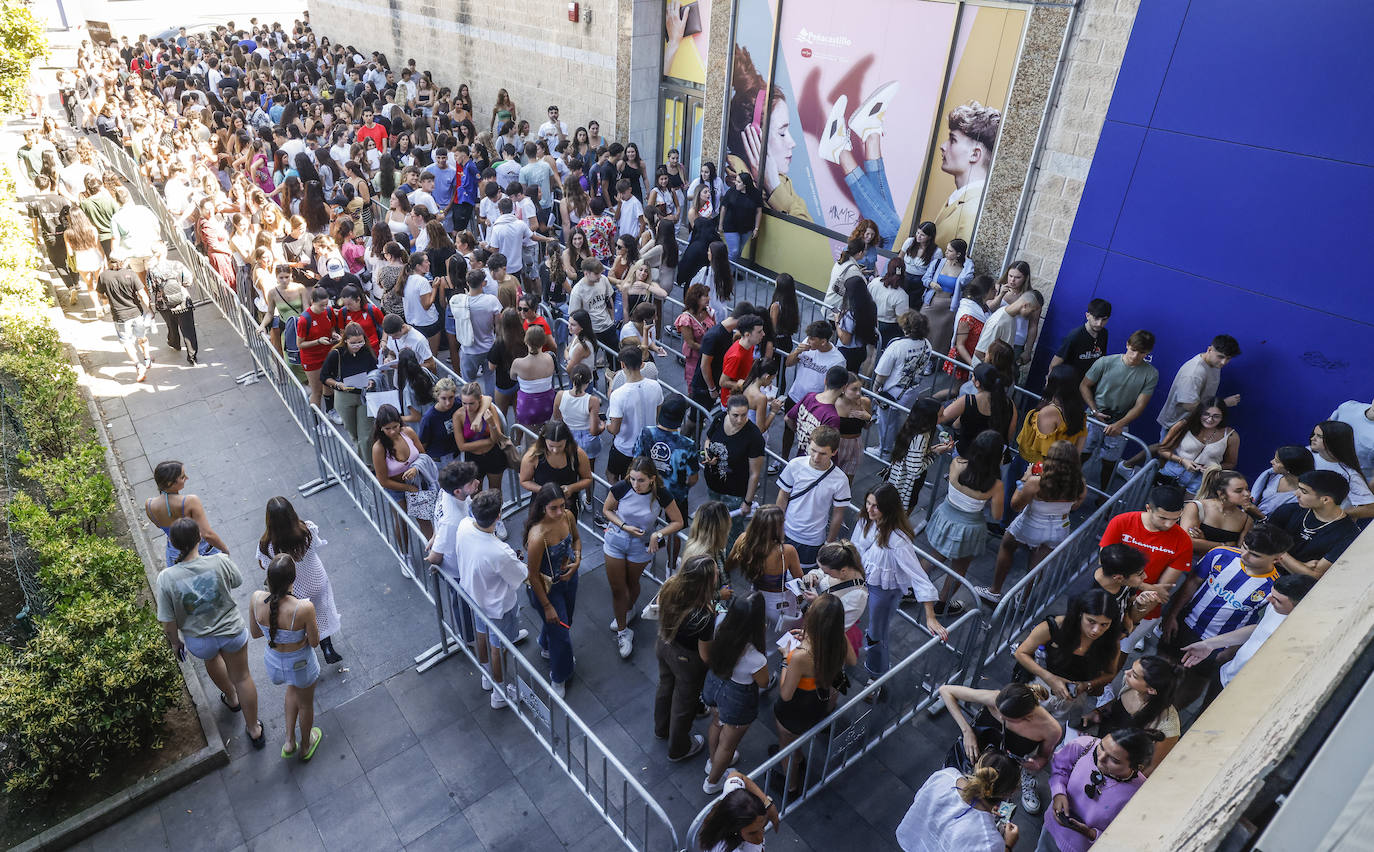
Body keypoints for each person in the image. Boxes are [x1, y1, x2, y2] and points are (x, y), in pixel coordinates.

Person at [155, 518, 264, 750]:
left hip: (199, 642)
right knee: (243, 677)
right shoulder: (219, 561)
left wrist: (176, 644)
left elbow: (168, 622)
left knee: (212, 660)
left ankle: (232, 699)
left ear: (173, 543)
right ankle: (254, 729)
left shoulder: (166, 578)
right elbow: (237, 581)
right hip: (232, 632)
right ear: (200, 538)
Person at [1160, 523, 1295, 709]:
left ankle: (1168, 716)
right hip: (1183, 624)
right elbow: (1192, 582)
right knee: (1161, 668)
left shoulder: (1273, 587)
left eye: (1255, 555)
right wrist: (1172, 615)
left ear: (1278, 559)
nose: (1245, 556)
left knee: (1195, 681)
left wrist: (1231, 649)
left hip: (1218, 643)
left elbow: (1261, 624)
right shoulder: (1220, 554)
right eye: (1245, 547)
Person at [1181, 573, 1317, 708]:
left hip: (1245, 696)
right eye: (1272, 594)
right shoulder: (1275, 606)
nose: (1269, 599)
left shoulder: (1304, 633)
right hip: (1226, 675)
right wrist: (1210, 644)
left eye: (1278, 600)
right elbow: (1259, 629)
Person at [857, 483, 945, 687]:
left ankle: (876, 676)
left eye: (875, 506)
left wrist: (930, 616)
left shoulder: (898, 540)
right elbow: (857, 547)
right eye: (868, 503)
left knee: (876, 633)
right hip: (862, 579)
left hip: (884, 592)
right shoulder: (866, 520)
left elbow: (919, 576)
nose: (869, 509)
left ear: (888, 509)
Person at [772, 594, 857, 797]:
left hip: (795, 709)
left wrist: (786, 659)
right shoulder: (838, 639)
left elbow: (785, 694)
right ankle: (799, 759)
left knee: (786, 747)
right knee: (796, 741)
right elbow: (852, 661)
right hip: (818, 702)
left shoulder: (801, 656)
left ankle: (791, 787)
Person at [981, 442, 1087, 603]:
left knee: (1007, 546)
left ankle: (994, 591)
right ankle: (1022, 601)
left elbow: (1015, 505)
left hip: (1032, 524)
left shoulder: (1036, 481)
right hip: (1059, 529)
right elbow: (1076, 506)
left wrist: (1025, 477)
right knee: (1037, 566)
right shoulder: (1080, 482)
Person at [937, 681, 1061, 816]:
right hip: (971, 755)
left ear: (1028, 717)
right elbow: (945, 690)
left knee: (983, 814)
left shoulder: (1051, 729)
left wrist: (1035, 764)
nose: (1000, 717)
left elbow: (1043, 757)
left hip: (1001, 774)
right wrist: (967, 731)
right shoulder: (995, 698)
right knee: (947, 796)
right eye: (999, 712)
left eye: (1007, 718)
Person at [603, 456, 684, 658]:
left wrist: (658, 534)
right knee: (617, 588)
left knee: (631, 584)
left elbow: (678, 521)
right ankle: (623, 631)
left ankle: (628, 610)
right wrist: (623, 526)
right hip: (615, 540)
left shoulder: (661, 494)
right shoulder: (622, 487)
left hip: (640, 546)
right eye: (632, 479)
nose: (635, 485)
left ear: (652, 479)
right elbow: (607, 509)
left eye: (640, 480)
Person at [457, 490, 529, 709]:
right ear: (499, 516)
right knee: (499, 646)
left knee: (481, 634)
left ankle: (486, 675)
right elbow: (521, 575)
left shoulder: (464, 526)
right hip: (498, 607)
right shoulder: (500, 551)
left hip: (474, 596)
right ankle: (499, 693)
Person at [1100, 485, 1193, 652]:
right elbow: (1105, 566)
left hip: (1145, 609)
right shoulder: (1122, 522)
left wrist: (1134, 614)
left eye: (1175, 519)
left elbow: (1161, 591)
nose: (1169, 524)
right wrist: (1146, 586)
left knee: (1120, 651)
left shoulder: (1183, 541)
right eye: (1163, 518)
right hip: (1107, 599)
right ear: (1149, 508)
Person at [1012, 589, 1124, 728]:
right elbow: (1021, 653)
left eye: (1104, 624)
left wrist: (1087, 685)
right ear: (1080, 614)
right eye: (1091, 621)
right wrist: (1050, 678)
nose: (1096, 630)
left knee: (1057, 730)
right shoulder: (1054, 627)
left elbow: (1110, 673)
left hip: (1073, 697)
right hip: (1038, 684)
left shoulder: (1111, 642)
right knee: (1022, 721)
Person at [250, 554, 324, 760]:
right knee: (306, 704)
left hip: (274, 663)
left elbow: (256, 633)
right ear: (293, 579)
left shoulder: (256, 599)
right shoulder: (303, 608)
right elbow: (314, 641)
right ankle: (306, 745)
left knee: (292, 689)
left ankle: (289, 742)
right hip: (300, 664)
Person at [1041, 728, 1164, 852]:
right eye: (1102, 747)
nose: (1101, 758)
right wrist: (1058, 792)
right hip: (1052, 827)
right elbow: (1059, 768)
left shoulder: (1139, 794)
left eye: (1114, 760)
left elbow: (1126, 837)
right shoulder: (1084, 746)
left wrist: (1091, 834)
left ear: (1136, 767)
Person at [255, 496, 343, 664]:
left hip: (294, 589)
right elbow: (316, 545)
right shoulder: (307, 529)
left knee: (302, 617)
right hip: (316, 579)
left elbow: (266, 566)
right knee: (322, 611)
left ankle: (307, 648)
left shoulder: (267, 545)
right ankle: (327, 647)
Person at [925, 430, 1005, 613]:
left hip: (945, 516)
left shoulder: (956, 463)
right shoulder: (996, 485)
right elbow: (997, 515)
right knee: (959, 569)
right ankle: (942, 604)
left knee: (934, 556)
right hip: (970, 528)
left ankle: (913, 588)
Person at [703, 592, 771, 794]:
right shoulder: (754, 657)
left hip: (714, 682)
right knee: (728, 744)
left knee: (716, 722)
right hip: (737, 697)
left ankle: (711, 762)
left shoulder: (720, 622)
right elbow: (764, 682)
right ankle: (713, 782)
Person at [655, 555, 718, 762]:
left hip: (664, 643)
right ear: (706, 582)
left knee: (665, 687)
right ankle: (678, 749)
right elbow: (705, 655)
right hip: (686, 660)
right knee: (684, 703)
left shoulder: (670, 585)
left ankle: (661, 729)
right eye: (715, 574)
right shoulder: (704, 615)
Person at [1080, 330, 1159, 493]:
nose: (1136, 356)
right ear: (1127, 345)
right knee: (1081, 455)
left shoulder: (1151, 374)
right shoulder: (1105, 362)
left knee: (1110, 464)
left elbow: (1140, 405)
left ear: (1148, 353)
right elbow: (1084, 385)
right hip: (1093, 418)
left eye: (1142, 353)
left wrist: (1119, 424)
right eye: (1134, 350)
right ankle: (1066, 489)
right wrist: (1094, 411)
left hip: (1120, 423)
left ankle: (1103, 498)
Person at [895, 751, 1021, 852]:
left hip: (912, 842)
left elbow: (920, 799)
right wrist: (1008, 845)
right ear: (1010, 793)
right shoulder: (991, 842)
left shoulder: (947, 775)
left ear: (979, 767)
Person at [524, 483, 582, 697]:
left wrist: (577, 561)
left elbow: (576, 540)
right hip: (548, 589)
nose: (559, 512)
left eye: (561, 505)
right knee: (562, 634)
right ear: (542, 508)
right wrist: (547, 606)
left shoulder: (567, 516)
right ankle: (559, 675)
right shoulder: (538, 536)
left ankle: (546, 644)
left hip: (569, 580)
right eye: (553, 508)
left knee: (565, 623)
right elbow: (533, 576)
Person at [1081, 656, 1180, 772]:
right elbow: (1117, 704)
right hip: (1103, 745)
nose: (1126, 672)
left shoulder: (1168, 726)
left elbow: (1150, 768)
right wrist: (1097, 712)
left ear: (1151, 690)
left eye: (1134, 675)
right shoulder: (1128, 684)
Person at [634, 395, 699, 565]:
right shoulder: (688, 444)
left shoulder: (646, 432)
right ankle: (671, 567)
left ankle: (643, 560)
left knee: (646, 525)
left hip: (649, 489)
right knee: (674, 530)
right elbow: (693, 478)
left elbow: (636, 460)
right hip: (676, 495)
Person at [776, 426, 851, 570]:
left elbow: (838, 514)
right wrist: (777, 527)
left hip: (812, 541)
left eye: (823, 453)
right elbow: (783, 496)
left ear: (834, 452)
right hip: (786, 531)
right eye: (813, 450)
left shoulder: (840, 479)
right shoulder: (795, 465)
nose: (816, 458)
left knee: (802, 580)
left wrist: (829, 543)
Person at [426, 460, 481, 647]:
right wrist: (432, 559)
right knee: (462, 602)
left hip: (465, 560)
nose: (477, 483)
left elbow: (437, 520)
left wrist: (434, 535)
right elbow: (435, 556)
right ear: (458, 491)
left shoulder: (445, 492)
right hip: (458, 570)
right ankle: (469, 638)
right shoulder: (453, 521)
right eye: (471, 482)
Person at [932, 102, 1001, 249]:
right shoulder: (961, 198)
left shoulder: (973, 209)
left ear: (975, 154)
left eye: (953, 140)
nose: (943, 146)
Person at [1268, 470, 1360, 578]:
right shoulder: (1289, 510)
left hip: (1293, 587)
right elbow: (1259, 543)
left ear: (1325, 499)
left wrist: (1278, 553)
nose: (1296, 493)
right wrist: (1303, 565)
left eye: (1304, 491)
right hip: (1263, 571)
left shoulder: (1349, 534)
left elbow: (1315, 575)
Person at [703, 394, 766, 544]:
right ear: (727, 411)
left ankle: (731, 560)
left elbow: (754, 474)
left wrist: (747, 502)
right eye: (735, 415)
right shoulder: (719, 419)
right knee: (714, 522)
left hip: (734, 493)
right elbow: (708, 440)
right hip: (713, 485)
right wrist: (708, 454)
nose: (739, 420)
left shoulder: (754, 436)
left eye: (744, 415)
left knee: (732, 531)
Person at [1155, 334, 1243, 440]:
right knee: (1167, 454)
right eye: (1220, 357)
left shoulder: (1214, 364)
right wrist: (1223, 403)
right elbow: (1188, 406)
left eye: (1228, 358)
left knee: (1161, 451)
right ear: (1209, 349)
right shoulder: (1194, 373)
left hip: (1191, 425)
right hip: (1175, 426)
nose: (1223, 362)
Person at [780, 320, 846, 459]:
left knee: (811, 437)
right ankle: (782, 460)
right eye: (809, 337)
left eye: (812, 339)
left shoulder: (837, 360)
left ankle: (805, 462)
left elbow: (834, 386)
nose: (809, 341)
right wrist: (797, 350)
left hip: (814, 404)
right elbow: (788, 363)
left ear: (823, 341)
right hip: (795, 396)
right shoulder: (807, 345)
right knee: (788, 430)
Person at [873, 311, 932, 456]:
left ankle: (885, 451)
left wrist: (875, 390)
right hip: (912, 389)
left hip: (892, 391)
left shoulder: (897, 345)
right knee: (900, 419)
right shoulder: (927, 344)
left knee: (886, 422)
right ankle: (896, 446)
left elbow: (882, 372)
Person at [1156, 397, 1240, 494]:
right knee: (1160, 505)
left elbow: (1231, 463)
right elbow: (1162, 450)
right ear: (1199, 413)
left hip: (1201, 481)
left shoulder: (1231, 436)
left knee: (1190, 508)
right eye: (1206, 414)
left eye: (1216, 416)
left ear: (1222, 417)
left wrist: (1213, 468)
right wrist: (1182, 461)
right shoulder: (1184, 425)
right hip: (1172, 473)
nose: (1210, 419)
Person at [606, 346, 664, 486]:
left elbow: (614, 429)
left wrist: (605, 425)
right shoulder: (655, 386)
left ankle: (618, 503)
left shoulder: (618, 395)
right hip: (648, 446)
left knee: (611, 475)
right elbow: (657, 416)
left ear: (623, 365)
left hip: (624, 448)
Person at [323, 323, 380, 458]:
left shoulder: (367, 351)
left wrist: (372, 380)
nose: (357, 345)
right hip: (344, 396)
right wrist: (338, 385)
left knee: (366, 434)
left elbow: (374, 369)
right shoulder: (336, 354)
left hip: (364, 395)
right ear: (346, 340)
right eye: (353, 342)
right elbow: (324, 376)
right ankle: (363, 458)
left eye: (360, 341)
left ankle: (370, 465)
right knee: (353, 432)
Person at [884, 398, 950, 513]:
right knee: (900, 515)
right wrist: (934, 454)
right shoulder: (921, 437)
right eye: (940, 416)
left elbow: (914, 455)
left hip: (898, 478)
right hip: (907, 485)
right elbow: (915, 469)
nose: (943, 418)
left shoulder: (912, 425)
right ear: (929, 418)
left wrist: (932, 449)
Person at [97, 258, 155, 382]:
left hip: (120, 316)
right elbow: (142, 294)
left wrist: (107, 299)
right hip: (136, 312)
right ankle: (147, 358)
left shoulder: (103, 277)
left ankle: (138, 365)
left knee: (127, 342)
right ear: (122, 262)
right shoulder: (131, 274)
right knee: (142, 336)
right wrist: (149, 309)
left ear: (108, 262)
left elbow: (101, 295)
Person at [1180, 468, 1259, 556]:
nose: (1247, 494)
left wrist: (1203, 541)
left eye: (1247, 489)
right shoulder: (1196, 507)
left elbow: (1238, 552)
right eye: (1238, 491)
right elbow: (1187, 541)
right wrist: (1225, 545)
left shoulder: (1246, 520)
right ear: (1221, 494)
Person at [145, 240, 199, 365]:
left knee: (171, 326)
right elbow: (188, 281)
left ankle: (174, 343)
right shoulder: (177, 265)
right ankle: (192, 356)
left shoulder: (151, 270)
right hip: (182, 301)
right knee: (188, 329)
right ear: (165, 251)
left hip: (164, 304)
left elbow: (151, 289)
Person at [697, 770, 779, 852]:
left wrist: (768, 805)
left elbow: (736, 776)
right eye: (752, 833)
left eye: (762, 827)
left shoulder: (733, 799)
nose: (760, 838)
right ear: (734, 829)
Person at [453, 381, 512, 493]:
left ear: (479, 400)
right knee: (475, 493)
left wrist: (491, 423)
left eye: (471, 403)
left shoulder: (489, 410)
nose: (467, 407)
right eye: (464, 403)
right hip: (473, 459)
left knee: (495, 492)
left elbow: (496, 438)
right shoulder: (458, 416)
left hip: (494, 456)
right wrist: (489, 441)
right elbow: (461, 446)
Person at [920, 238, 975, 355]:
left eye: (950, 251)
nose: (946, 252)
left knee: (939, 336)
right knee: (922, 329)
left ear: (958, 254)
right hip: (931, 302)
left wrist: (968, 261)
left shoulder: (963, 270)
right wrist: (931, 283)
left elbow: (967, 278)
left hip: (948, 307)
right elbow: (925, 278)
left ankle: (932, 360)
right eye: (947, 249)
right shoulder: (938, 263)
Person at [1308, 420, 1374, 517]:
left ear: (1333, 441)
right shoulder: (1308, 453)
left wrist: (1335, 515)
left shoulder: (1349, 475)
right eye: (1314, 434)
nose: (1312, 438)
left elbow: (1371, 509)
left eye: (1319, 436)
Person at [454, 267, 503, 395]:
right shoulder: (492, 301)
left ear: (467, 283)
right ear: (483, 283)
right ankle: (491, 407)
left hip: (468, 350)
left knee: (468, 383)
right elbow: (499, 325)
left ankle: (471, 407)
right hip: (489, 347)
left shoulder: (459, 301)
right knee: (490, 379)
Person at [1049, 298, 1112, 379]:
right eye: (1096, 318)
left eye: (1104, 319)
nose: (1099, 323)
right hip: (1069, 382)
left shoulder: (1104, 333)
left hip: (1088, 381)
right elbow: (1054, 364)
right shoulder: (1075, 336)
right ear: (1087, 316)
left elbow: (1101, 360)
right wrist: (1050, 383)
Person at [1250, 445, 1314, 516]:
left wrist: (1259, 516)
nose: (1271, 462)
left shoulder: (1303, 496)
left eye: (1277, 461)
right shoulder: (1270, 475)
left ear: (1289, 467)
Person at [1326, 396, 1374, 480]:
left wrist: (1366, 491)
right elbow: (1325, 429)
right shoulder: (1348, 407)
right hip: (1325, 469)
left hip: (1356, 483)